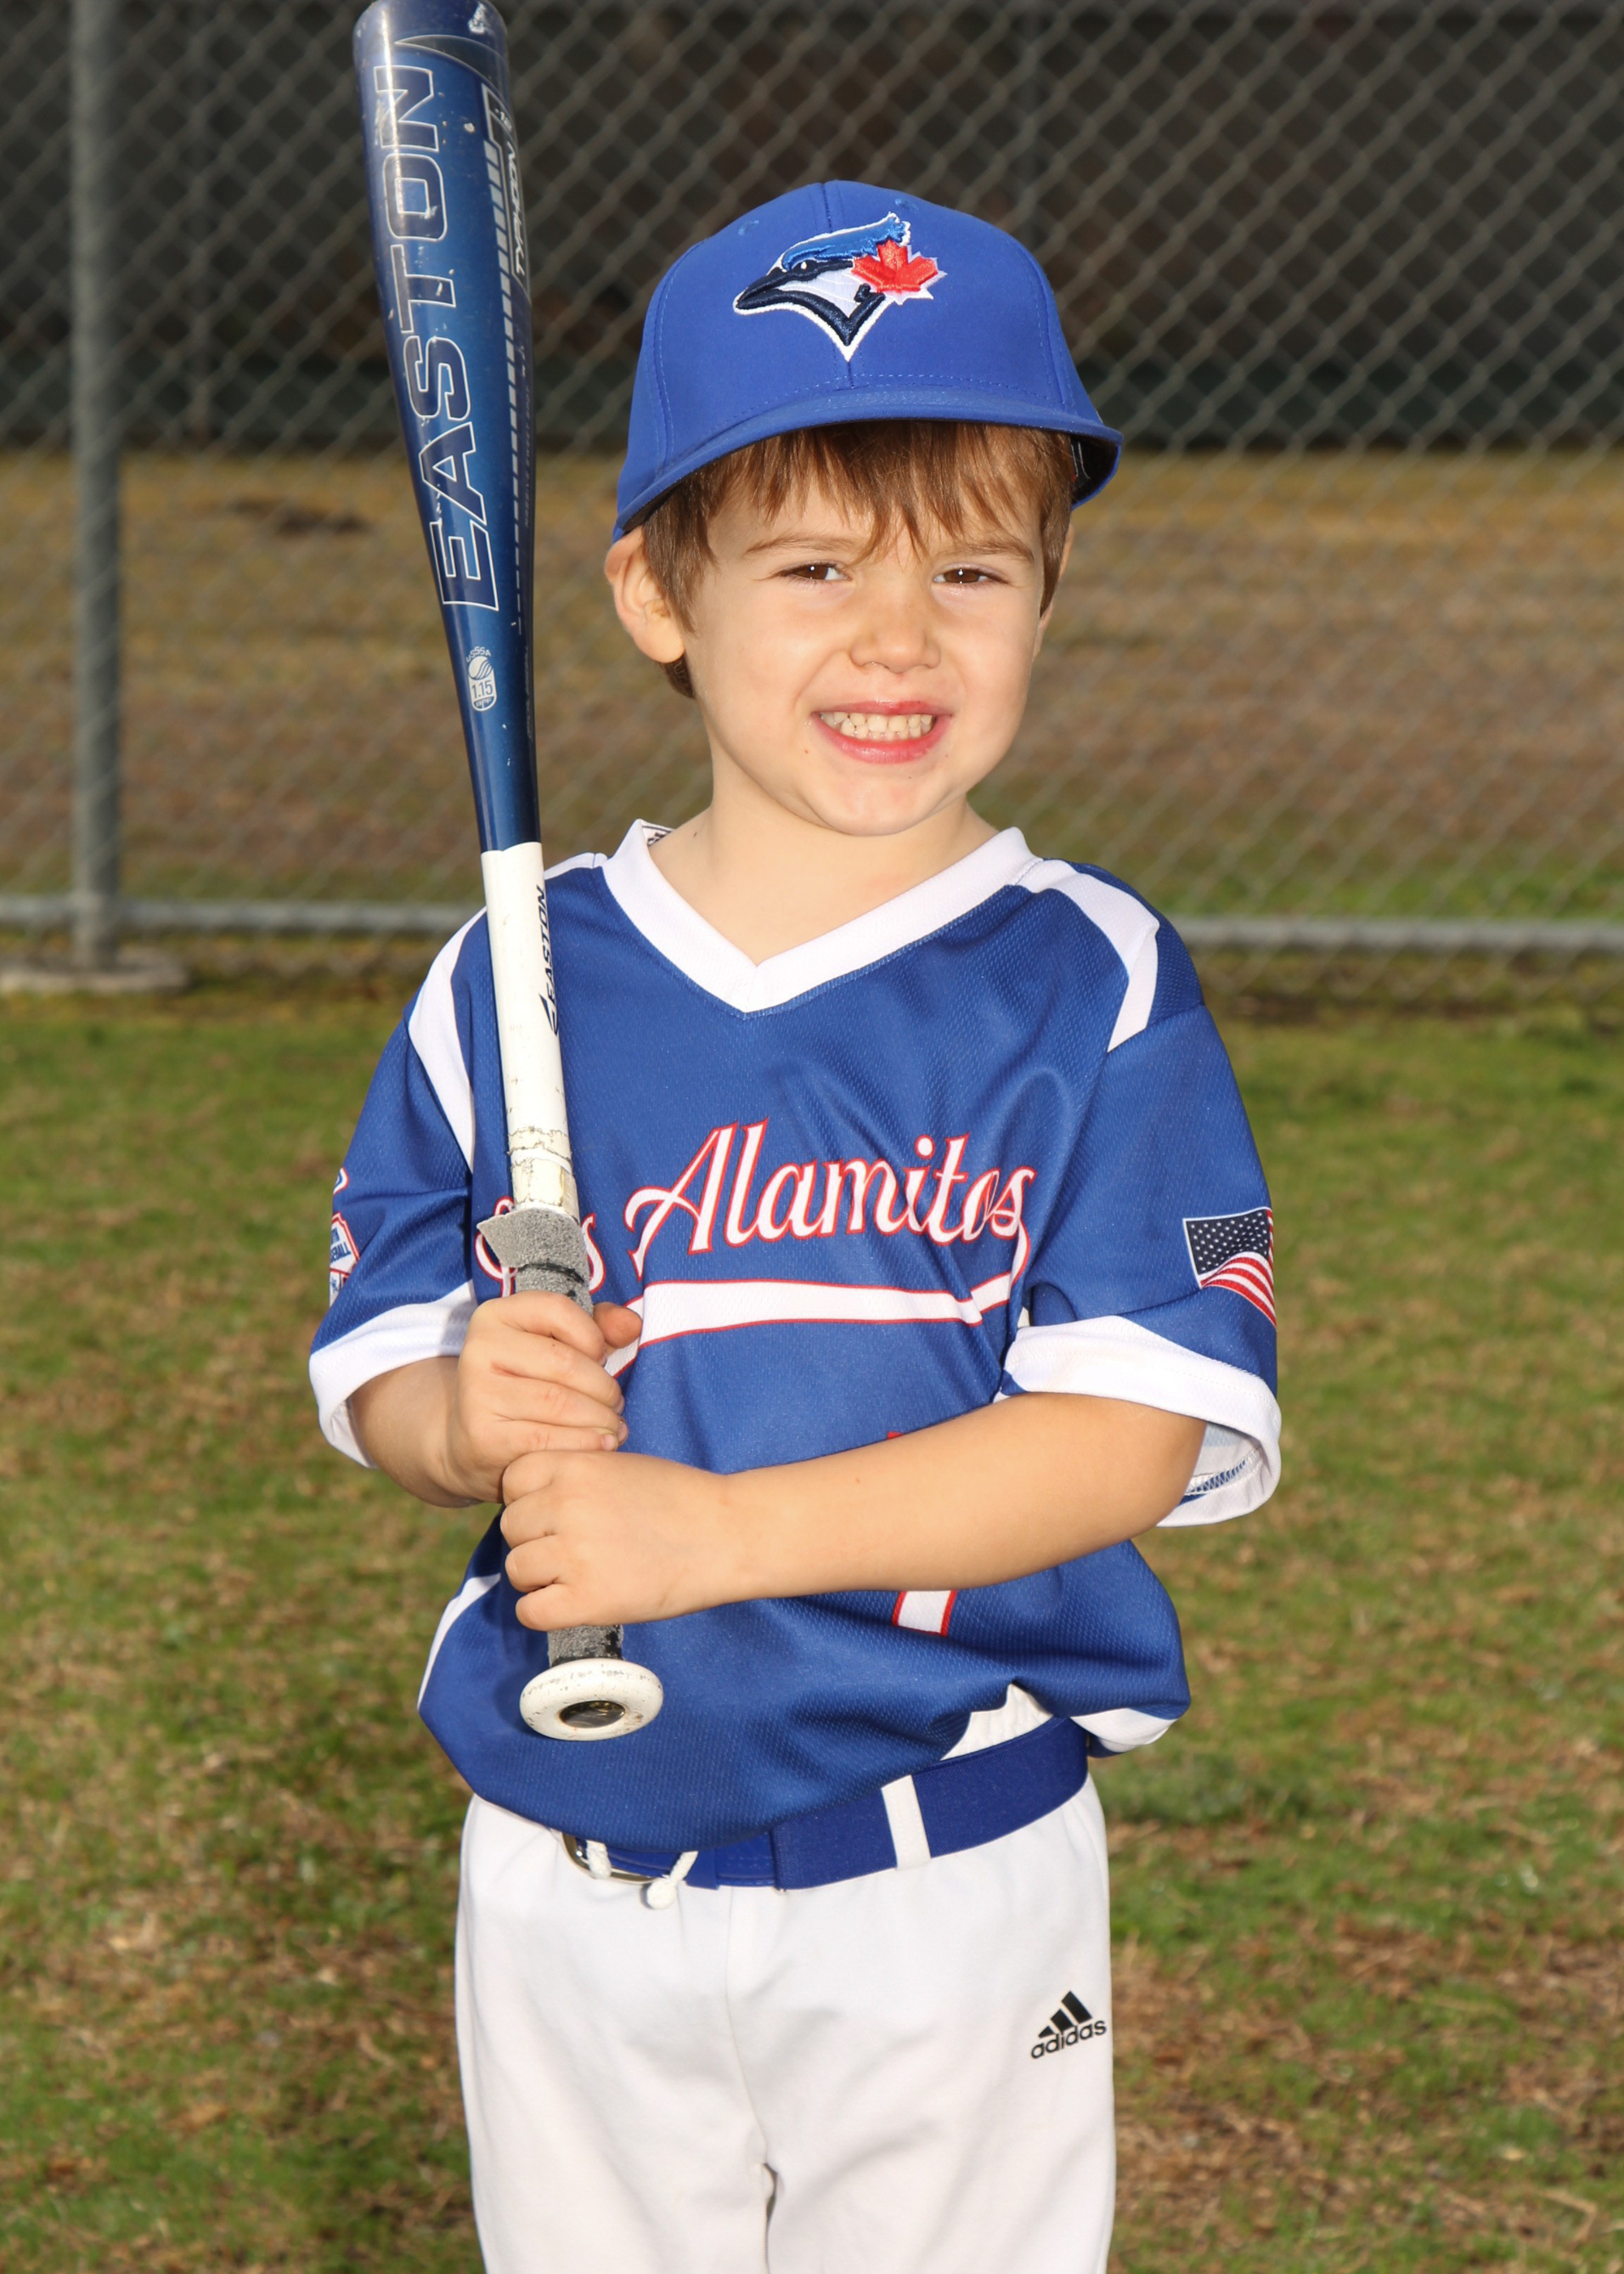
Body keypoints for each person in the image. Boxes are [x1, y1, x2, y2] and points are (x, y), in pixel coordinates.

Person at [310, 181, 1280, 2274]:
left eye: (973, 568)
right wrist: (464, 1414)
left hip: (946, 1868)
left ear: (1050, 595)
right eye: (817, 564)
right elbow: (382, 1363)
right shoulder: (520, 977)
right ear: (657, 593)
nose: (898, 637)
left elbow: (1128, 1438)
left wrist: (714, 1539)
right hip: (565, 1870)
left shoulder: (1089, 982)